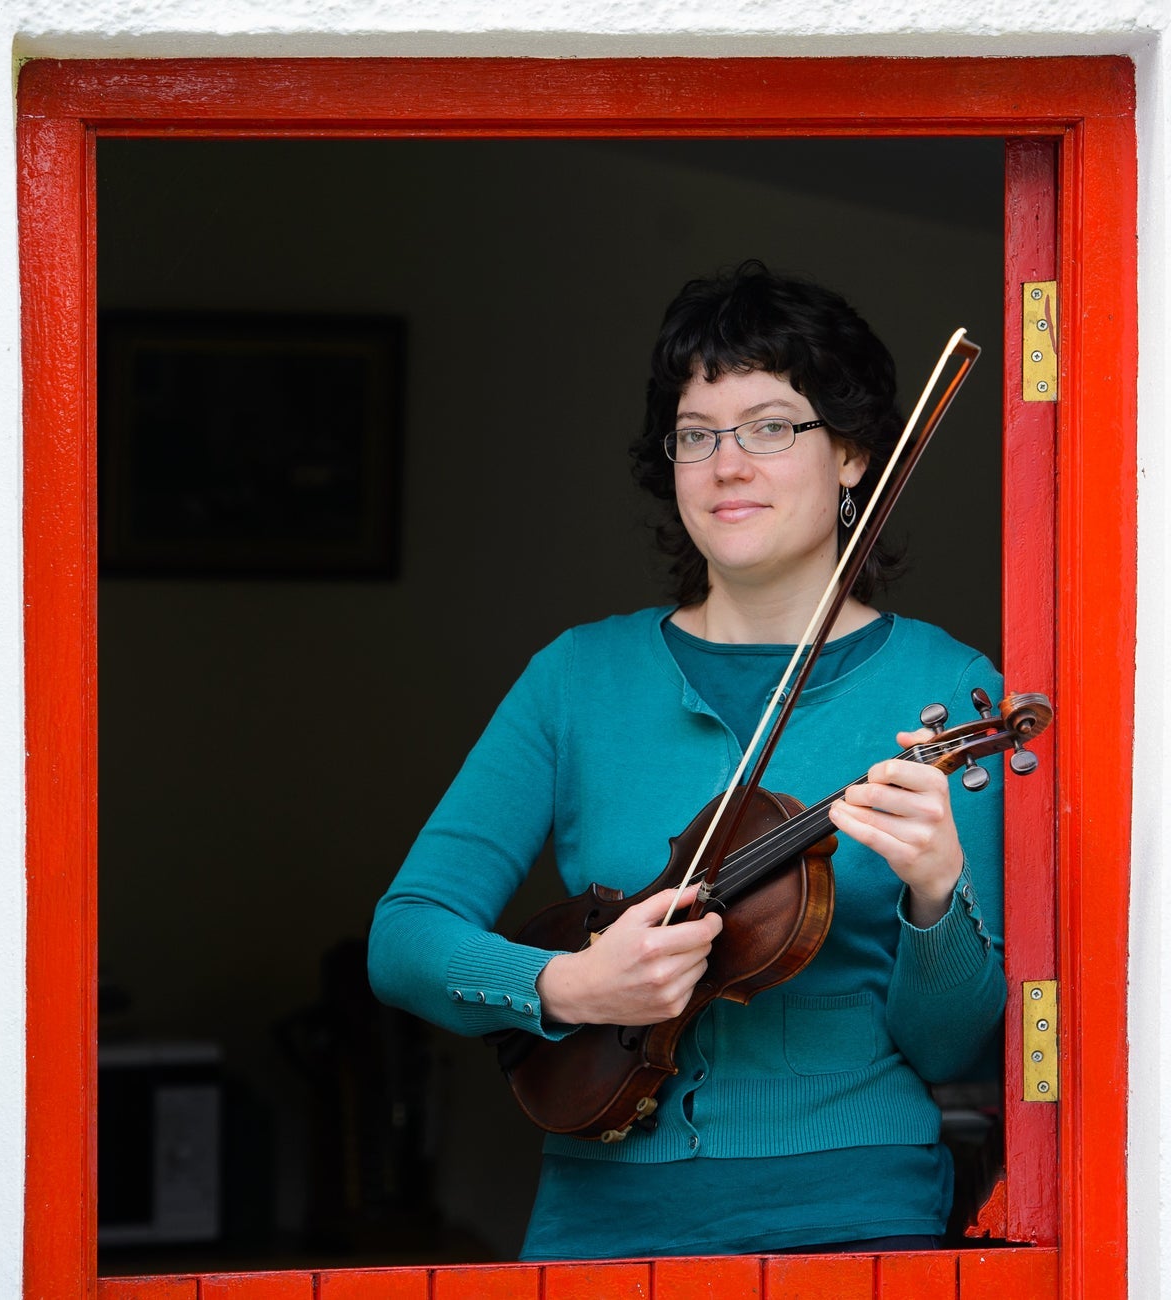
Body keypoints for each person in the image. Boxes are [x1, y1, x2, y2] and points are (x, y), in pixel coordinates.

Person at [368, 261, 1006, 1260]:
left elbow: (951, 1045)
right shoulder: (578, 678)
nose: (727, 465)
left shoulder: (946, 688)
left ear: (851, 454)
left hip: (856, 1217)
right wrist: (570, 986)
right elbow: (404, 936)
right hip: (598, 1221)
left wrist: (934, 893)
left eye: (769, 427)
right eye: (696, 434)